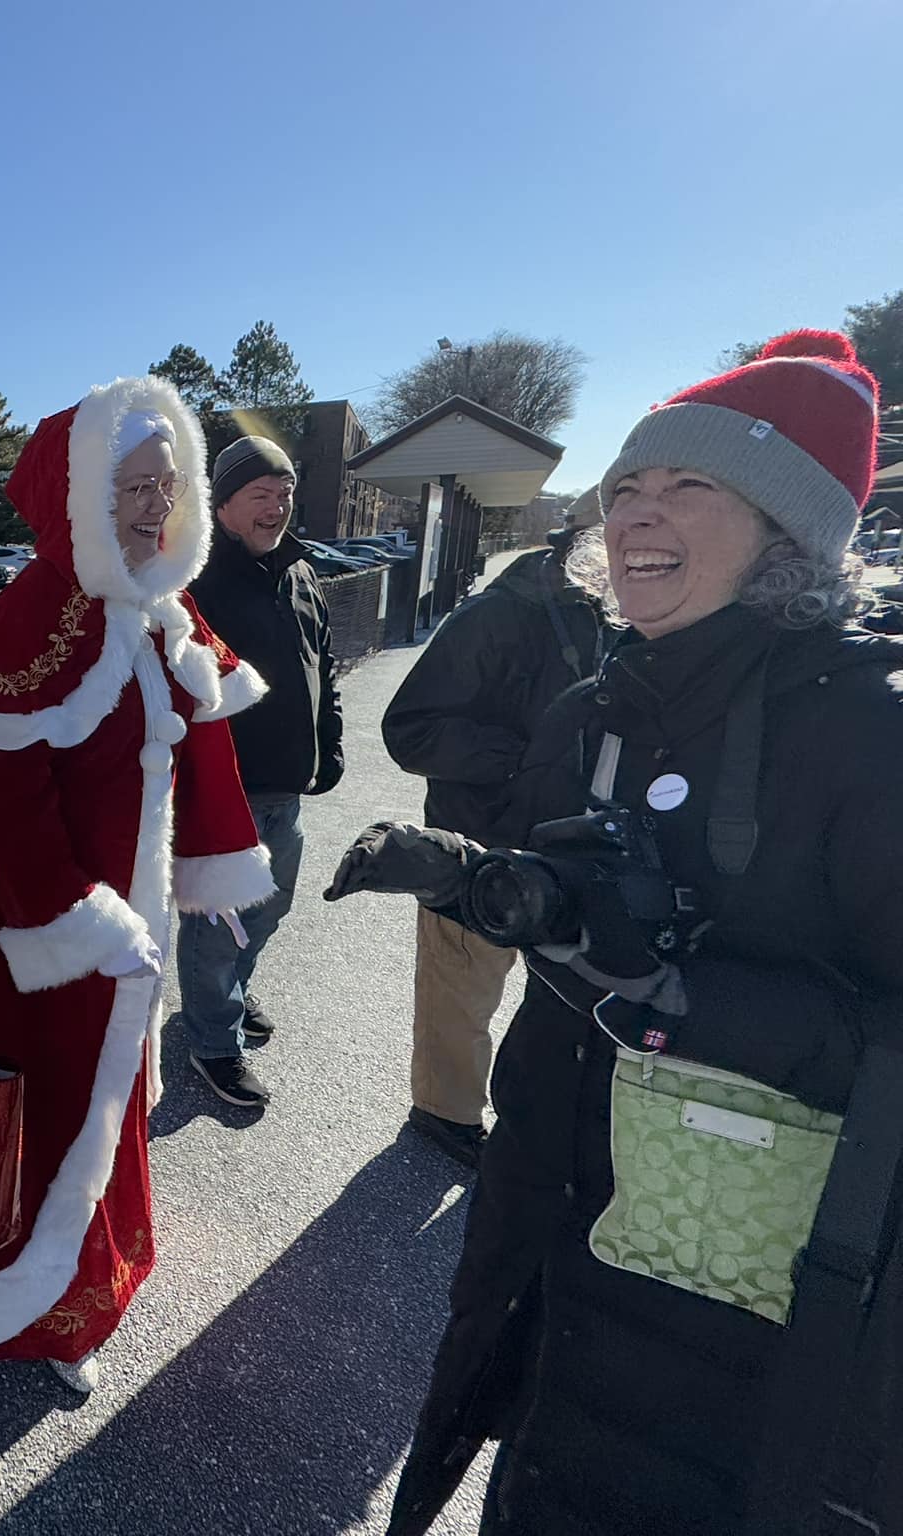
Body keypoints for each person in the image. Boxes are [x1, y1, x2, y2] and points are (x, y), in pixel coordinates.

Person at [328, 332, 903, 1535]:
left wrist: (688, 1005)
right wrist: (483, 882)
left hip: (740, 1283)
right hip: (551, 1200)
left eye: (688, 485)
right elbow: (577, 907)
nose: (637, 511)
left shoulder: (866, 732)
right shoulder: (596, 705)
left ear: (786, 533)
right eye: (627, 485)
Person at [0, 379, 272, 1395]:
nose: (157, 504)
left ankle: (107, 1265)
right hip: (56, 929)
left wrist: (204, 870)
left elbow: (202, 745)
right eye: (133, 485)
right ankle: (36, 1308)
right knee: (59, 1108)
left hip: (136, 913)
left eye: (167, 483)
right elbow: (10, 800)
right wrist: (80, 918)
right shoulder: (34, 609)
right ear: (80, 494)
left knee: (113, 1094)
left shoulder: (162, 602)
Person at [380, 490, 613, 1166]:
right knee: (461, 993)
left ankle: (532, 1122)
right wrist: (528, 759)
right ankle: (444, 1114)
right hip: (479, 844)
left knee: (559, 1001)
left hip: (575, 846)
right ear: (586, 540)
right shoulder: (498, 615)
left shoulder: (621, 615)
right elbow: (410, 730)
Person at [177, 436, 343, 1107]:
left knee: (269, 910)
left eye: (285, 493)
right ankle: (213, 1041)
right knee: (218, 927)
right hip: (228, 792)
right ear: (223, 505)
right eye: (261, 494)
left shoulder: (300, 573)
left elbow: (323, 666)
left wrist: (329, 745)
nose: (278, 506)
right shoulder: (197, 581)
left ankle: (229, 995)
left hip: (286, 788)